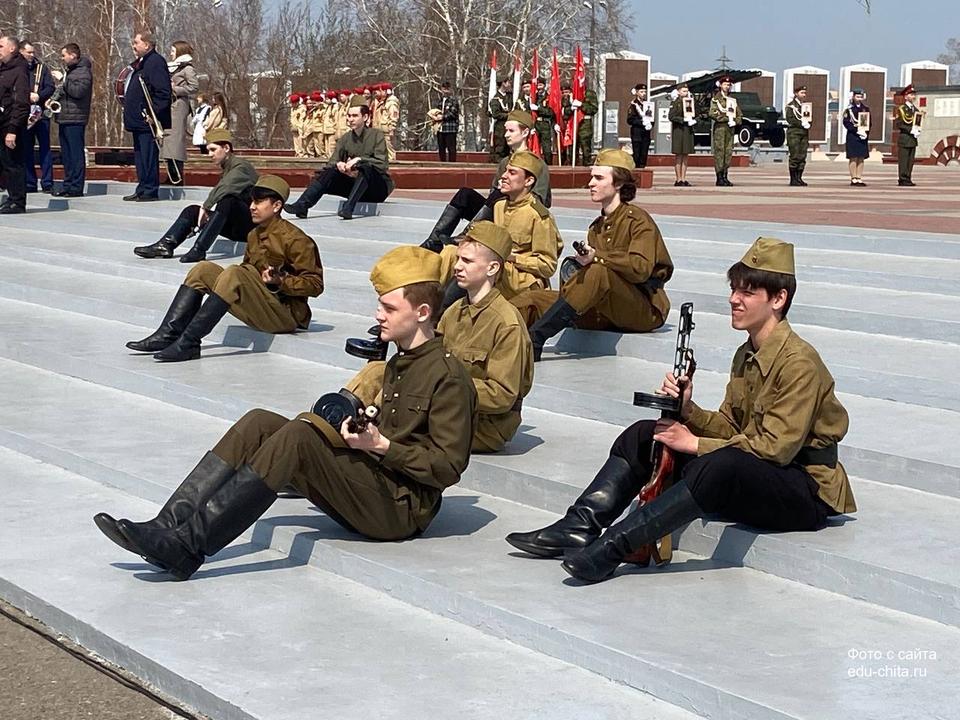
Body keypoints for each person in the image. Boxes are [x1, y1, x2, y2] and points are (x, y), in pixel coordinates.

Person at [94, 245, 477, 581]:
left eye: (389, 308)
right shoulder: (400, 361)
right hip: (375, 480)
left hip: (399, 508)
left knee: (300, 434)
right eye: (380, 305)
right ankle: (168, 523)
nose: (379, 315)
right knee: (259, 422)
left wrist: (382, 446)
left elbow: (448, 467)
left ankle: (187, 546)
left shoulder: (447, 376)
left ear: (422, 312)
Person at [507, 236, 857, 584]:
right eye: (733, 289)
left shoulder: (798, 363)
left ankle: (614, 548)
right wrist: (688, 410)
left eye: (747, 292)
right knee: (646, 435)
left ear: (779, 299)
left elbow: (774, 450)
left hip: (805, 489)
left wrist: (694, 443)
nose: (734, 299)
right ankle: (577, 527)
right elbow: (731, 426)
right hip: (758, 474)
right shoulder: (747, 353)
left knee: (720, 464)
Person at [347, 222, 533, 453]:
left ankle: (352, 429)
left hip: (483, 425)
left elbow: (502, 396)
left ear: (492, 268)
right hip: (445, 408)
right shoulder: (455, 311)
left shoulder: (506, 323)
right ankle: (340, 417)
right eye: (458, 259)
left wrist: (434, 387)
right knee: (380, 371)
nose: (457, 266)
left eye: (467, 261)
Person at [125, 175, 323, 362]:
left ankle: (189, 341)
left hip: (285, 315)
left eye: (259, 202)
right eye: (251, 202)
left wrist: (280, 281)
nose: (252, 207)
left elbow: (315, 284)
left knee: (235, 273)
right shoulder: (254, 234)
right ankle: (168, 334)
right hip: (263, 304)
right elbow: (248, 272)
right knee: (202, 269)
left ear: (277, 206)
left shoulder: (296, 240)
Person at [513, 150, 672, 361]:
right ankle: (489, 341)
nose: (590, 183)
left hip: (642, 309)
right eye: (591, 177)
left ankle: (537, 337)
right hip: (604, 309)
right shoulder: (596, 227)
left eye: (598, 178)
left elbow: (640, 268)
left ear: (618, 183)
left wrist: (597, 257)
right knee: (533, 298)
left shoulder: (638, 221)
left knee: (597, 271)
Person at [437, 151, 561, 310]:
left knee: (478, 264)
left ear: (528, 181)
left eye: (512, 172)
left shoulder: (539, 216)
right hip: (497, 268)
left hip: (521, 278)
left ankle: (442, 311)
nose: (503, 176)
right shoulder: (499, 206)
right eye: (505, 171)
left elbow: (547, 265)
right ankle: (431, 301)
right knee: (450, 252)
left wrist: (512, 258)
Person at [422, 109, 551, 251]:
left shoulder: (537, 164)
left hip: (518, 216)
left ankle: (467, 235)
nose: (506, 135)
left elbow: (540, 202)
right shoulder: (505, 162)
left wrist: (510, 193)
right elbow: (492, 195)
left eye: (511, 131)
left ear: (525, 132)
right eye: (506, 130)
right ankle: (433, 242)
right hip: (496, 211)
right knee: (465, 195)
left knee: (499, 193)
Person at [133, 129, 258, 261]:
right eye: (208, 151)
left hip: (253, 227)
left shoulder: (241, 166)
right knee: (192, 211)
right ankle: (165, 245)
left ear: (226, 148)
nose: (210, 154)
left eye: (213, 150)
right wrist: (202, 212)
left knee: (227, 200)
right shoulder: (228, 167)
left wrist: (206, 207)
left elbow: (226, 187)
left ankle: (199, 250)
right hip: (237, 225)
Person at [284, 96, 394, 220]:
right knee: (329, 172)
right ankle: (302, 205)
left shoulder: (376, 135)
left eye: (355, 116)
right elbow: (332, 162)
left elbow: (382, 164)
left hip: (377, 188)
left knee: (365, 168)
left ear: (365, 117)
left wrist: (359, 160)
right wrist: (339, 165)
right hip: (355, 187)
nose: (350, 119)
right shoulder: (345, 138)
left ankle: (348, 209)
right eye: (349, 116)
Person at [122, 30, 172, 202]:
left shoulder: (156, 62)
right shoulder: (142, 63)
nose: (133, 46)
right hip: (138, 119)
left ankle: (150, 190)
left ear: (147, 45)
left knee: (148, 156)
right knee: (140, 156)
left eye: (136, 43)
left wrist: (152, 113)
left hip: (147, 120)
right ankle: (142, 187)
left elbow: (163, 93)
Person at [52, 43, 92, 198]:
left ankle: (76, 186)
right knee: (67, 155)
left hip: (75, 118)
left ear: (73, 55)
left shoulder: (83, 71)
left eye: (64, 55)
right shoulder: (72, 71)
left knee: (75, 154)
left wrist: (64, 80)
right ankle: (67, 184)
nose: (62, 58)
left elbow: (78, 92)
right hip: (65, 117)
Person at [160, 41, 199, 187]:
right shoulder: (172, 67)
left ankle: (177, 176)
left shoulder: (187, 68)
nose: (170, 53)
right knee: (168, 140)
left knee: (175, 141)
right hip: (169, 106)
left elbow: (194, 87)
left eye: (173, 50)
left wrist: (175, 90)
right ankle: (171, 174)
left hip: (178, 106)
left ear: (180, 51)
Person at [19, 41, 55, 193]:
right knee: (26, 148)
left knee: (45, 148)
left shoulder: (41, 68)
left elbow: (50, 87)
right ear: (21, 52)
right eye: (29, 52)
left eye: (33, 52)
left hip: (40, 113)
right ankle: (30, 182)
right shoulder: (16, 69)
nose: (32, 55)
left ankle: (47, 183)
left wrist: (39, 95)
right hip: (23, 113)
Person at [0, 35, 30, 215]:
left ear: (12, 48)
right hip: (2, 121)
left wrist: (12, 130)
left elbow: (21, 103)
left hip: (11, 125)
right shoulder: (4, 69)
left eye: (1, 46)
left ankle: (17, 202)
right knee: (5, 163)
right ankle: (11, 198)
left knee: (14, 163)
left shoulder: (19, 70)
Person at [708, 75, 741, 186]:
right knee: (720, 152)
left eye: (729, 85)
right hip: (720, 129)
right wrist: (727, 119)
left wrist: (735, 121)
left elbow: (739, 115)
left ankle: (725, 176)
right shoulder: (716, 99)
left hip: (730, 129)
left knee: (728, 152)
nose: (727, 86)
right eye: (725, 84)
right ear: (720, 85)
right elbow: (712, 113)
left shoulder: (732, 100)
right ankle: (719, 177)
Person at [561, 82, 599, 166]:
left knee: (585, 145)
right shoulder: (571, 95)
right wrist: (571, 108)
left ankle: (586, 165)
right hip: (572, 123)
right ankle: (573, 165)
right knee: (572, 147)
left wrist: (581, 105)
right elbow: (564, 111)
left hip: (585, 123)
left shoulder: (589, 94)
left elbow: (593, 109)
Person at [668, 83, 696, 186]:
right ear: (679, 92)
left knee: (685, 155)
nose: (686, 93)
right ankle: (678, 179)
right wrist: (683, 119)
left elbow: (696, 113)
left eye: (687, 91)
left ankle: (684, 178)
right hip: (679, 131)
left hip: (687, 130)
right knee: (679, 155)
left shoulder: (690, 102)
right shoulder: (676, 102)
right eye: (683, 91)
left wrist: (694, 120)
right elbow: (671, 116)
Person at [841, 89, 870, 187]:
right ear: (853, 97)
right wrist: (856, 130)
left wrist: (865, 132)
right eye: (857, 96)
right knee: (853, 157)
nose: (859, 98)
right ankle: (853, 177)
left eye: (860, 97)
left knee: (861, 157)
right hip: (853, 136)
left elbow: (869, 122)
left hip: (863, 136)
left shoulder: (865, 109)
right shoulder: (849, 110)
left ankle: (859, 177)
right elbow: (846, 122)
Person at [785, 85, 811, 187]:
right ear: (796, 94)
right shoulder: (791, 106)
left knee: (802, 156)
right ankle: (793, 179)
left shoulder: (806, 106)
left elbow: (809, 118)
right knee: (794, 156)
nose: (804, 95)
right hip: (794, 134)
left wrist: (808, 124)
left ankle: (799, 178)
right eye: (802, 93)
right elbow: (790, 119)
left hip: (804, 134)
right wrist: (801, 124)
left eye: (805, 93)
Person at [895, 85, 920, 187]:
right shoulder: (902, 109)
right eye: (911, 94)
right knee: (904, 160)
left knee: (910, 160)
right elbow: (899, 124)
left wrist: (917, 130)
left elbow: (917, 122)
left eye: (914, 95)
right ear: (906, 96)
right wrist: (911, 130)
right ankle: (902, 178)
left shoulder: (916, 109)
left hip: (913, 139)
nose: (913, 96)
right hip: (905, 138)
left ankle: (908, 177)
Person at [625, 83, 652, 169]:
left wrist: (650, 124)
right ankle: (636, 171)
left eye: (645, 92)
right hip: (637, 132)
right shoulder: (633, 104)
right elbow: (630, 120)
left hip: (646, 133)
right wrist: (641, 122)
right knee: (637, 154)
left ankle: (642, 169)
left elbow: (651, 117)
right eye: (641, 92)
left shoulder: (648, 104)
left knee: (644, 154)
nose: (644, 93)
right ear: (637, 92)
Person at [433, 81, 460, 162]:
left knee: (451, 149)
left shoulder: (453, 101)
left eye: (447, 89)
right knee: (441, 149)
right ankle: (442, 164)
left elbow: (453, 113)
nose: (445, 91)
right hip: (440, 128)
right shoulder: (440, 101)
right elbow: (436, 111)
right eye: (444, 89)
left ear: (450, 90)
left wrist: (442, 117)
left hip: (450, 129)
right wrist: (434, 117)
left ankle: (452, 165)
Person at [488, 77, 512, 161]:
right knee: (500, 146)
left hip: (510, 124)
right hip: (500, 126)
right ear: (503, 83)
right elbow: (495, 114)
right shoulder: (496, 98)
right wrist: (508, 115)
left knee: (508, 147)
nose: (509, 84)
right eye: (508, 82)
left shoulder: (510, 96)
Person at [533, 78, 555, 164]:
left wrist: (538, 109)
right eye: (537, 85)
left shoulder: (548, 97)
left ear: (544, 86)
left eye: (541, 85)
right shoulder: (533, 97)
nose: (539, 87)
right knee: (534, 146)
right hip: (535, 124)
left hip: (545, 124)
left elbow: (550, 112)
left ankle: (548, 165)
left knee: (546, 148)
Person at [380, 83, 400, 162]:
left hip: (388, 130)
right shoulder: (386, 102)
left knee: (390, 149)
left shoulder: (392, 103)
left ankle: (392, 162)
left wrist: (392, 128)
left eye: (382, 91)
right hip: (384, 130)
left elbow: (393, 116)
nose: (381, 93)